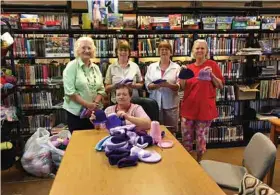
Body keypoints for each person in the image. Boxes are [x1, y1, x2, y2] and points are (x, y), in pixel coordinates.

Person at [179, 39, 224, 162]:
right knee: (186, 140)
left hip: (205, 110)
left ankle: (199, 163)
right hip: (188, 109)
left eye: (202, 48)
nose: (199, 50)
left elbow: (220, 85)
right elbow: (182, 88)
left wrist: (212, 75)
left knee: (201, 140)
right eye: (197, 48)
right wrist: (181, 75)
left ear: (206, 51)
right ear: (193, 51)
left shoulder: (213, 65)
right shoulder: (188, 67)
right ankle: (188, 162)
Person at [62, 36, 106, 133]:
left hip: (94, 113)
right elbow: (70, 92)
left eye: (89, 48)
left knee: (95, 140)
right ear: (78, 50)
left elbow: (101, 90)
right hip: (76, 115)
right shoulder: (72, 66)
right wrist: (88, 105)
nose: (86, 50)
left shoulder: (96, 68)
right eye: (83, 48)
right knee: (79, 144)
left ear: (93, 50)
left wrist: (95, 104)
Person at [145, 40, 180, 133]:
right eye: (161, 49)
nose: (164, 51)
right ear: (158, 52)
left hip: (171, 105)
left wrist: (168, 85)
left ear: (170, 52)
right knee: (156, 130)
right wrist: (155, 85)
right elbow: (147, 85)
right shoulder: (151, 67)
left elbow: (179, 87)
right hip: (155, 104)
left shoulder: (177, 67)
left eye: (166, 49)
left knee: (171, 131)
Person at [105, 40, 143, 104]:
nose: (123, 52)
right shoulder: (111, 67)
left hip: (133, 101)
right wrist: (115, 85)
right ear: (117, 52)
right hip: (116, 102)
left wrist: (133, 85)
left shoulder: (135, 66)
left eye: (125, 50)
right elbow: (106, 88)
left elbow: (141, 84)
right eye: (121, 50)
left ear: (129, 52)